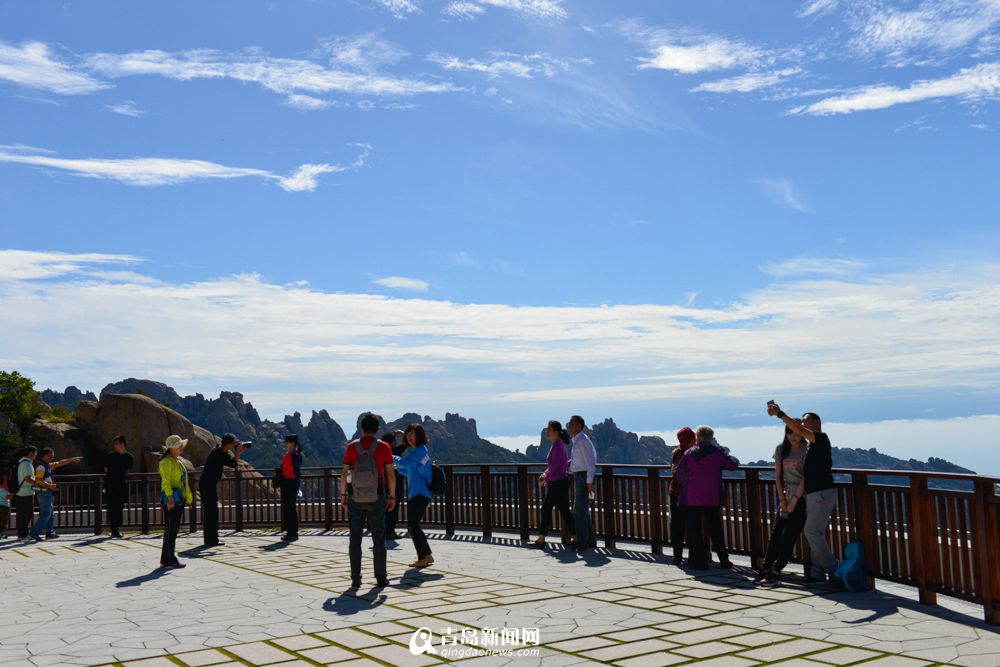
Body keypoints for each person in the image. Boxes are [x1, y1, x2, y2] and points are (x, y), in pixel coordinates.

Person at [768, 402, 839, 582]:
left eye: (805, 423)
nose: (801, 427)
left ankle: (833, 569)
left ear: (816, 423)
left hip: (821, 492)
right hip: (814, 493)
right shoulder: (809, 445)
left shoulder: (820, 438)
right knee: (816, 533)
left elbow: (799, 431)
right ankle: (817, 572)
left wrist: (780, 414)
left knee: (811, 531)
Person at [341, 412, 396, 588]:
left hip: (355, 497)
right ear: (378, 429)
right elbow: (389, 474)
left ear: (361, 428)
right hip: (377, 496)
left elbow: (346, 473)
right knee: (378, 539)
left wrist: (344, 494)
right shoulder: (384, 447)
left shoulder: (351, 447)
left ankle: (356, 578)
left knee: (355, 538)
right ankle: (381, 578)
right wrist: (392, 495)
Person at [674, 425, 739, 570]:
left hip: (692, 498)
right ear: (711, 438)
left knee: (694, 530)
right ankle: (724, 560)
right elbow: (733, 465)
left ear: (697, 437)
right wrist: (725, 453)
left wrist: (689, 482)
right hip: (712, 497)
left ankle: (699, 562)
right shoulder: (716, 453)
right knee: (716, 528)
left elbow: (679, 475)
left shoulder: (689, 453)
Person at [755, 425, 809, 586]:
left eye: (797, 433)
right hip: (785, 494)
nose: (793, 436)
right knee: (776, 533)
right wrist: (782, 498)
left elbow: (805, 478)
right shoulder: (781, 448)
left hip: (802, 497)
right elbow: (777, 475)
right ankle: (766, 567)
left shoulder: (807, 449)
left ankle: (776, 570)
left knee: (789, 535)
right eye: (789, 432)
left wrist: (794, 500)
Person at [393, 423, 434, 567]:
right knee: (415, 525)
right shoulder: (421, 450)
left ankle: (422, 558)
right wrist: (399, 469)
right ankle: (427, 555)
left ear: (419, 435)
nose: (409, 437)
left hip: (419, 493)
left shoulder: (419, 451)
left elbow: (406, 462)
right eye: (408, 434)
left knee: (413, 526)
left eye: (412, 434)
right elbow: (410, 470)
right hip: (420, 492)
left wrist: (390, 456)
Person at [199, 433, 246, 547]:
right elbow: (232, 463)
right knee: (212, 513)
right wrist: (237, 451)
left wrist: (238, 452)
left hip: (208, 485)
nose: (234, 445)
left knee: (211, 513)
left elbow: (232, 464)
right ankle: (211, 540)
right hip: (207, 486)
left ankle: (210, 539)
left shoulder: (221, 451)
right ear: (229, 444)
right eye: (233, 443)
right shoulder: (218, 453)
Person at [533, 420, 575, 548]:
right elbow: (552, 466)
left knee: (546, 509)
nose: (547, 431)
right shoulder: (557, 444)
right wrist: (545, 474)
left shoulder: (557, 446)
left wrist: (545, 478)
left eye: (549, 429)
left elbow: (555, 467)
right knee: (564, 511)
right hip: (560, 482)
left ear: (555, 432)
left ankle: (542, 539)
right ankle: (575, 537)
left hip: (558, 483)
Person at [28, 448, 82, 541]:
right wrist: (50, 485)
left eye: (52, 456)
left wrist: (71, 460)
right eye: (50, 456)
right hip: (43, 491)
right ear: (44, 456)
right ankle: (33, 533)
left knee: (49, 512)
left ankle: (50, 533)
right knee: (46, 513)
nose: (51, 458)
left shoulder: (47, 465)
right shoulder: (41, 467)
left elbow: (59, 463)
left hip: (45, 491)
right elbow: (38, 480)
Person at [159, 435, 193, 569]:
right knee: (170, 531)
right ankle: (169, 559)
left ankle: (166, 559)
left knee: (172, 530)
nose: (181, 448)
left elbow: (184, 483)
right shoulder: (166, 462)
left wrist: (189, 499)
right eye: (179, 446)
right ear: (172, 448)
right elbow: (165, 481)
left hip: (179, 500)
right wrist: (170, 498)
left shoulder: (177, 462)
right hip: (172, 501)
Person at [567, 415, 598, 551]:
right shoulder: (578, 441)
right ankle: (590, 542)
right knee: (583, 511)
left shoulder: (582, 441)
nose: (569, 426)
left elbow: (590, 463)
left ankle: (582, 543)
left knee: (579, 511)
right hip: (581, 477)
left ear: (579, 425)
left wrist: (589, 482)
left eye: (572, 424)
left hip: (584, 478)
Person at [669, 427, 696, 566]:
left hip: (674, 494)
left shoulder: (676, 453)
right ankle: (694, 557)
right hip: (689, 495)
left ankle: (677, 557)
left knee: (677, 526)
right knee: (692, 526)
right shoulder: (691, 454)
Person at [104, 435, 133, 538]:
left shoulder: (129, 457)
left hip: (121, 485)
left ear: (122, 444)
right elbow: (106, 470)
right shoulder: (110, 456)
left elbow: (127, 472)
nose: (115, 446)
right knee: (111, 507)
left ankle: (117, 528)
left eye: (117, 443)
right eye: (114, 444)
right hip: (110, 485)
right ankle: (114, 530)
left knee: (119, 507)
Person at [278, 435, 303, 542]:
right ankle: (290, 532)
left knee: (290, 509)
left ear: (292, 443)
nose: (286, 444)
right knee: (287, 509)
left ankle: (293, 533)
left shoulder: (295, 455)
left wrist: (297, 487)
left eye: (287, 443)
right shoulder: (290, 455)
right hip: (286, 483)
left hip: (291, 484)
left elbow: (296, 472)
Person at [384, 429, 407, 540]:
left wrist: (393, 435)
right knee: (393, 508)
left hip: (384, 484)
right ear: (392, 442)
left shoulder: (381, 452)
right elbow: (406, 442)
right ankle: (390, 532)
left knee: (384, 509)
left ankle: (384, 531)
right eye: (394, 441)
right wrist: (401, 433)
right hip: (396, 484)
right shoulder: (395, 451)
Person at [13, 446, 38, 541]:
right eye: (35, 453)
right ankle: (23, 535)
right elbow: (28, 478)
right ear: (30, 453)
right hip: (26, 493)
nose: (36, 455)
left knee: (21, 515)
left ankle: (21, 534)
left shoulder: (21, 462)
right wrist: (37, 482)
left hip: (20, 492)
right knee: (27, 514)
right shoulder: (27, 464)